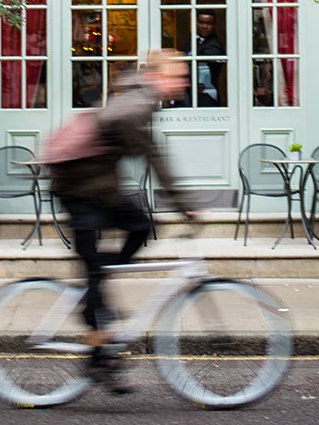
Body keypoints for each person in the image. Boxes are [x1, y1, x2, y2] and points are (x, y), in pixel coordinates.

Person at [48, 51, 195, 394]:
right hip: (79, 188)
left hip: (100, 186)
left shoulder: (141, 99)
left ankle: (96, 296)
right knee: (97, 274)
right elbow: (153, 156)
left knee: (141, 227)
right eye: (178, 75)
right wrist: (185, 205)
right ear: (158, 76)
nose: (183, 82)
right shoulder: (135, 106)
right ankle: (97, 328)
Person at [195, 10, 224, 106]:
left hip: (207, 94)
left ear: (214, 25)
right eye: (201, 22)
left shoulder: (214, 47)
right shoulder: (192, 41)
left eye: (209, 23)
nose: (205, 26)